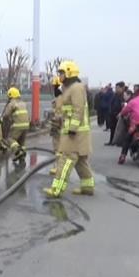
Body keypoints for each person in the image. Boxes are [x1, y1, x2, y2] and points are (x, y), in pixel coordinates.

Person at [44, 60, 94, 198]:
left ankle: (56, 189)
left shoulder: (76, 88)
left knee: (65, 160)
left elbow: (78, 110)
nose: (59, 75)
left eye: (61, 73)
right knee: (81, 161)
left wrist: (72, 128)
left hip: (74, 134)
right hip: (78, 133)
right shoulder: (71, 88)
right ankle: (87, 187)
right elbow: (68, 110)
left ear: (69, 73)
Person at [117, 88, 139, 164]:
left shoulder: (133, 101)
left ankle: (123, 156)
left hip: (137, 125)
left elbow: (125, 110)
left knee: (127, 138)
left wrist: (120, 114)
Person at [1, 87, 30, 163]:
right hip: (26, 125)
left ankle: (18, 151)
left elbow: (6, 115)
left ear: (11, 96)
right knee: (21, 142)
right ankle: (22, 154)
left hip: (18, 125)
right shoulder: (23, 103)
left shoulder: (12, 103)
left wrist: (2, 120)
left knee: (10, 139)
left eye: (8, 97)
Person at [49, 76, 63, 175]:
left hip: (58, 127)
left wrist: (54, 121)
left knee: (57, 147)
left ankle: (58, 167)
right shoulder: (66, 97)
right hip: (63, 127)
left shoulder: (59, 99)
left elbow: (58, 115)